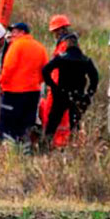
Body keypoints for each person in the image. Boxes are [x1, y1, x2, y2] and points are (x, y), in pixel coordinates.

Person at [40, 33, 99, 148]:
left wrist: (52, 86)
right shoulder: (85, 60)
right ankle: (74, 147)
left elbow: (45, 70)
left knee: (52, 124)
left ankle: (45, 147)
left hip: (61, 95)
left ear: (66, 44)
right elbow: (94, 78)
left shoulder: (62, 58)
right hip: (78, 95)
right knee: (74, 125)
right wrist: (89, 94)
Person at [0, 22, 47, 148]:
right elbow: (45, 71)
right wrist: (35, 82)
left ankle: (10, 152)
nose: (12, 34)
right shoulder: (40, 47)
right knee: (27, 124)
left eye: (14, 31)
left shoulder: (16, 46)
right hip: (33, 93)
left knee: (9, 124)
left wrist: (1, 83)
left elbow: (8, 68)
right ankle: (25, 151)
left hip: (13, 93)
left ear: (22, 32)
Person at [38, 14, 76, 147]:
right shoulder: (66, 44)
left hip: (58, 89)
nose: (54, 34)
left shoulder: (65, 46)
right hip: (57, 88)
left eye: (55, 31)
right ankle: (57, 143)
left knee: (56, 117)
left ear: (61, 29)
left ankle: (56, 143)